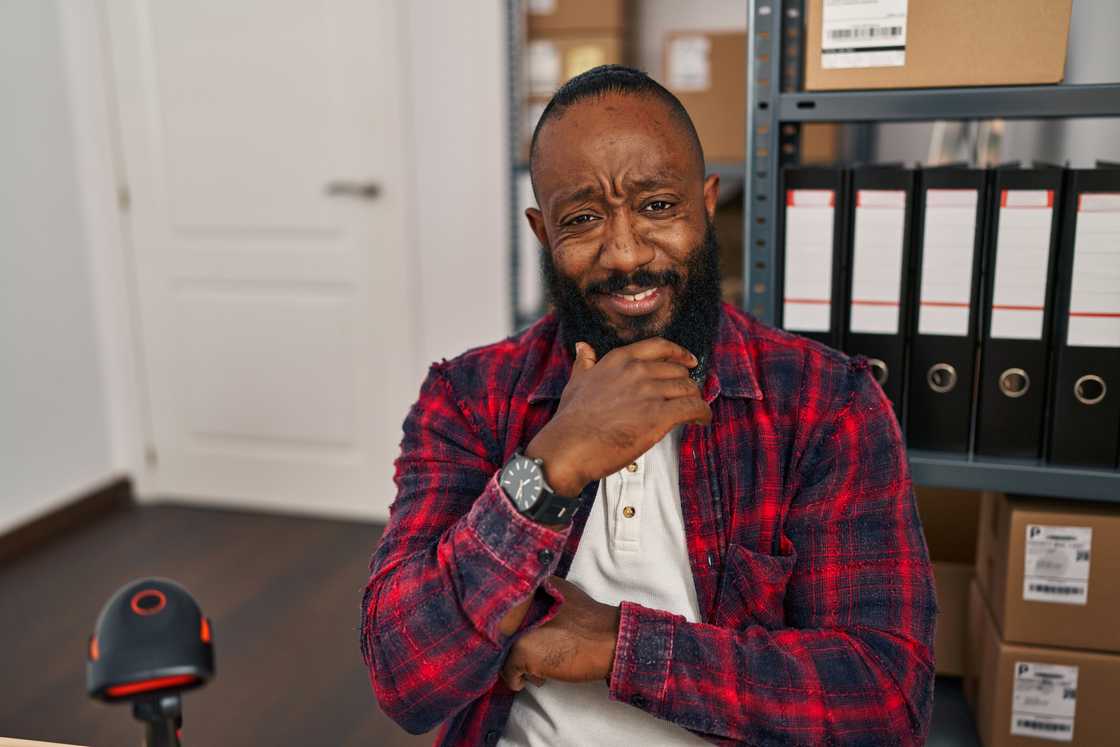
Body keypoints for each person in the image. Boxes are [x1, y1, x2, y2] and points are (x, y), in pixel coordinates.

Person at [360, 65, 935, 746]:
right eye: (582, 219)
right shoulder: (469, 397)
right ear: (543, 233)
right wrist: (551, 465)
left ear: (706, 202)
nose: (626, 253)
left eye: (658, 206)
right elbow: (404, 678)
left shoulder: (824, 403)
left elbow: (884, 699)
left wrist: (620, 647)